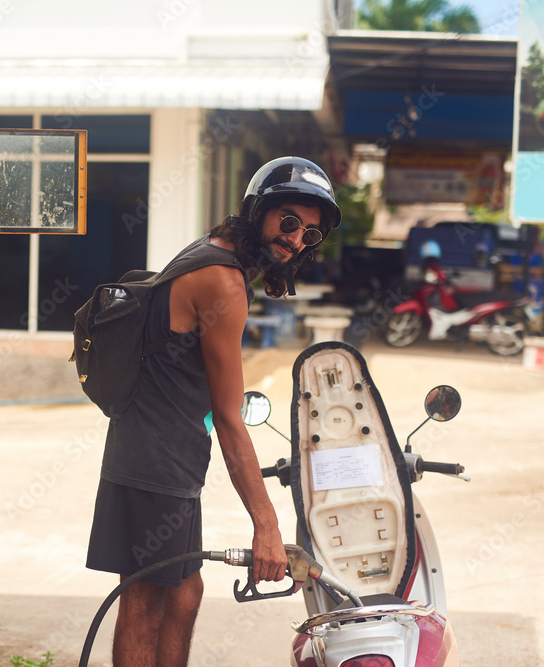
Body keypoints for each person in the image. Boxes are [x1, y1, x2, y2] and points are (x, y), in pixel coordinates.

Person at [86, 157, 342, 665]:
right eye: (288, 222)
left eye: (309, 235)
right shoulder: (223, 282)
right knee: (144, 603)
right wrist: (266, 526)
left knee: (184, 593)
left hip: (169, 458)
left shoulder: (215, 254)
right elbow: (229, 416)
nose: (295, 240)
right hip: (152, 463)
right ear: (258, 211)